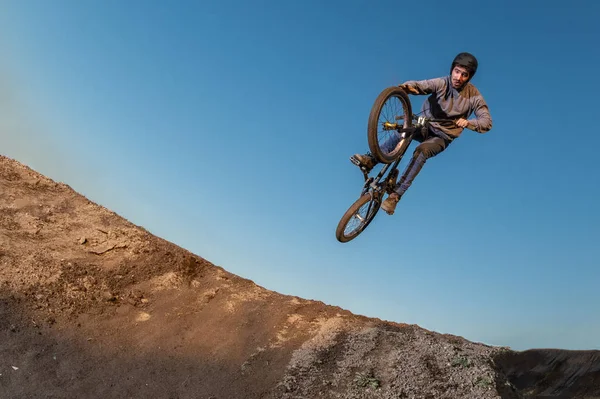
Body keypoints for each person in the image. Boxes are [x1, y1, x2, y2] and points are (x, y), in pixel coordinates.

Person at [353, 52, 493, 215]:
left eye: (464, 75)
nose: (458, 77)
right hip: (425, 124)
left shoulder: (474, 97)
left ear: (469, 77)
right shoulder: (442, 83)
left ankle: (395, 196)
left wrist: (469, 122)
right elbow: (422, 85)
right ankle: (371, 159)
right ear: (452, 70)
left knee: (422, 151)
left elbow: (486, 122)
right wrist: (406, 87)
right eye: (456, 71)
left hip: (442, 136)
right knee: (404, 130)